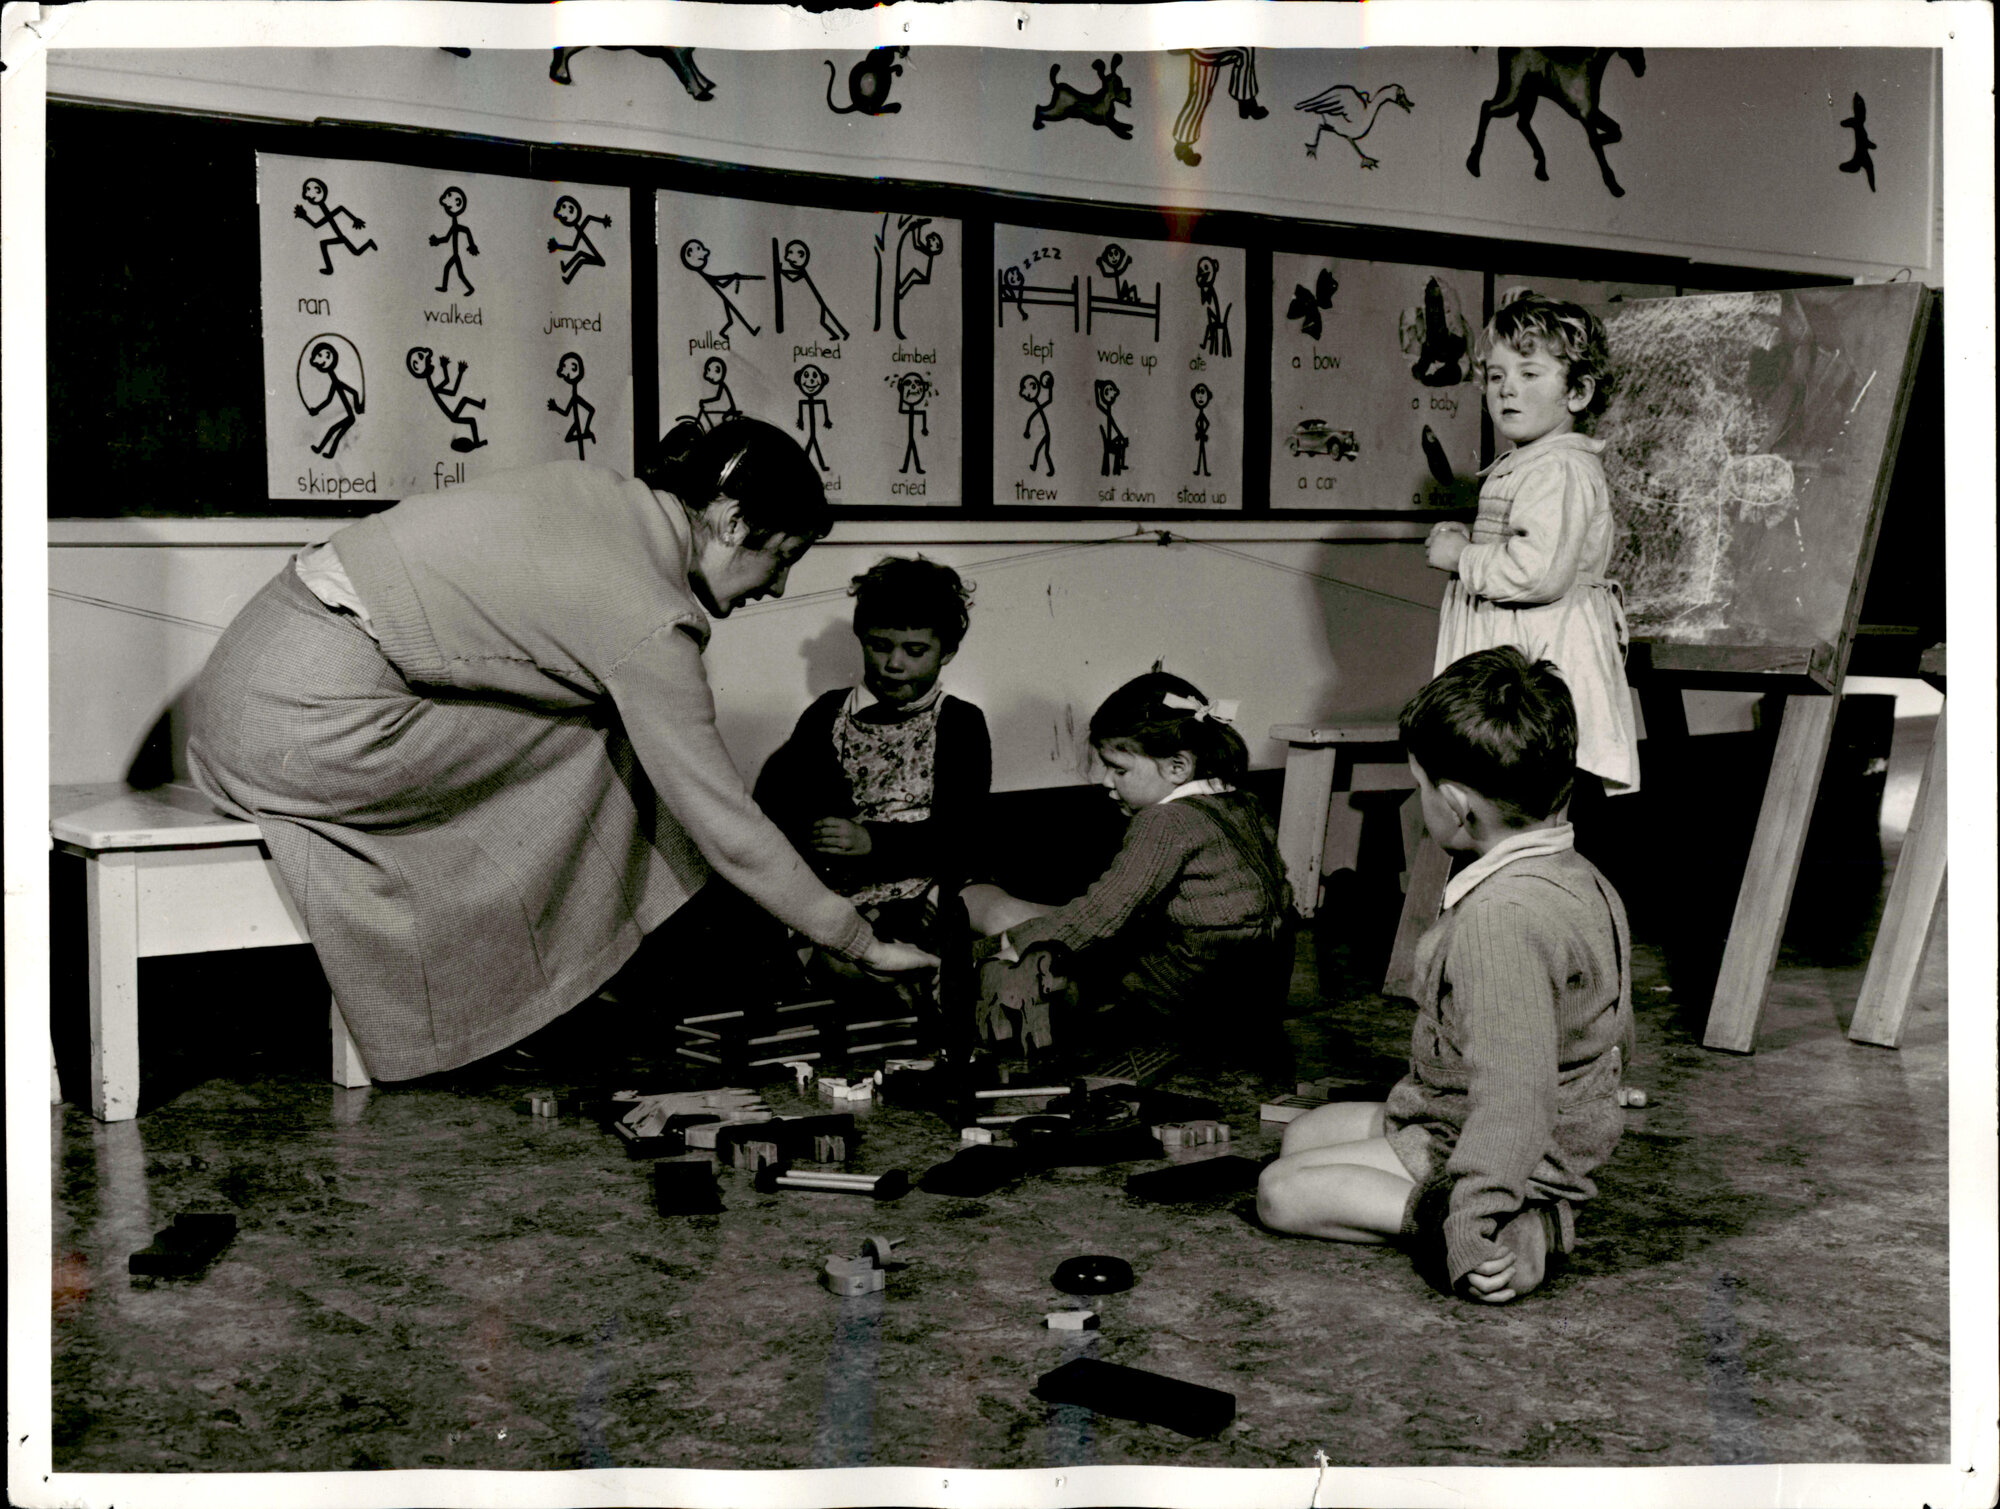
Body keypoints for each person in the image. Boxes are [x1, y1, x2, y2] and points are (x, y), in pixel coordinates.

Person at [185, 418, 935, 1084]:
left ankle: (561, 981)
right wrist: (860, 942)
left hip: (247, 684)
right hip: (305, 724)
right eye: (784, 558)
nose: (778, 587)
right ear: (733, 522)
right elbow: (725, 826)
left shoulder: (601, 494)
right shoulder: (649, 616)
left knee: (625, 727)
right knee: (626, 738)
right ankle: (540, 998)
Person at [1257, 647, 1634, 1304]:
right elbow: (1611, 1013)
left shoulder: (1500, 921)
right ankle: (1503, 1196)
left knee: (1280, 1192)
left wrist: (1473, 1219)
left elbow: (1514, 1098)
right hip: (1521, 1116)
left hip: (1512, 1139)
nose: (1419, 799)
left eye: (1420, 786)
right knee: (1302, 1133)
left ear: (1457, 804)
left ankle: (1522, 1221)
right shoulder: (1581, 875)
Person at [961, 671, 1292, 1059]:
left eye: (1119, 769)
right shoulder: (1243, 802)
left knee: (1076, 955)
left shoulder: (1164, 821)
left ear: (1177, 767)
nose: (1106, 781)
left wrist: (1003, 948)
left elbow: (1101, 913)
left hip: (1192, 998)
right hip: (1261, 995)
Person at [1424, 292, 1641, 802]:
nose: (1507, 389)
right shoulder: (1532, 462)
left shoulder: (1559, 468)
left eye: (1529, 374)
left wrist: (1462, 557)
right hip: (1513, 658)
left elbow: (1537, 572)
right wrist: (1470, 540)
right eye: (1496, 376)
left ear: (1578, 392)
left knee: (1532, 791)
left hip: (1540, 656)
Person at [755, 556, 991, 953]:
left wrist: (872, 841)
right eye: (880, 646)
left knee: (999, 914)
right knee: (849, 962)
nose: (894, 664)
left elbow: (962, 833)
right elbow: (782, 806)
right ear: (861, 637)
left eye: (915, 651)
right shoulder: (826, 715)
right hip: (847, 903)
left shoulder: (960, 721)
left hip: (937, 891)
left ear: (947, 652)